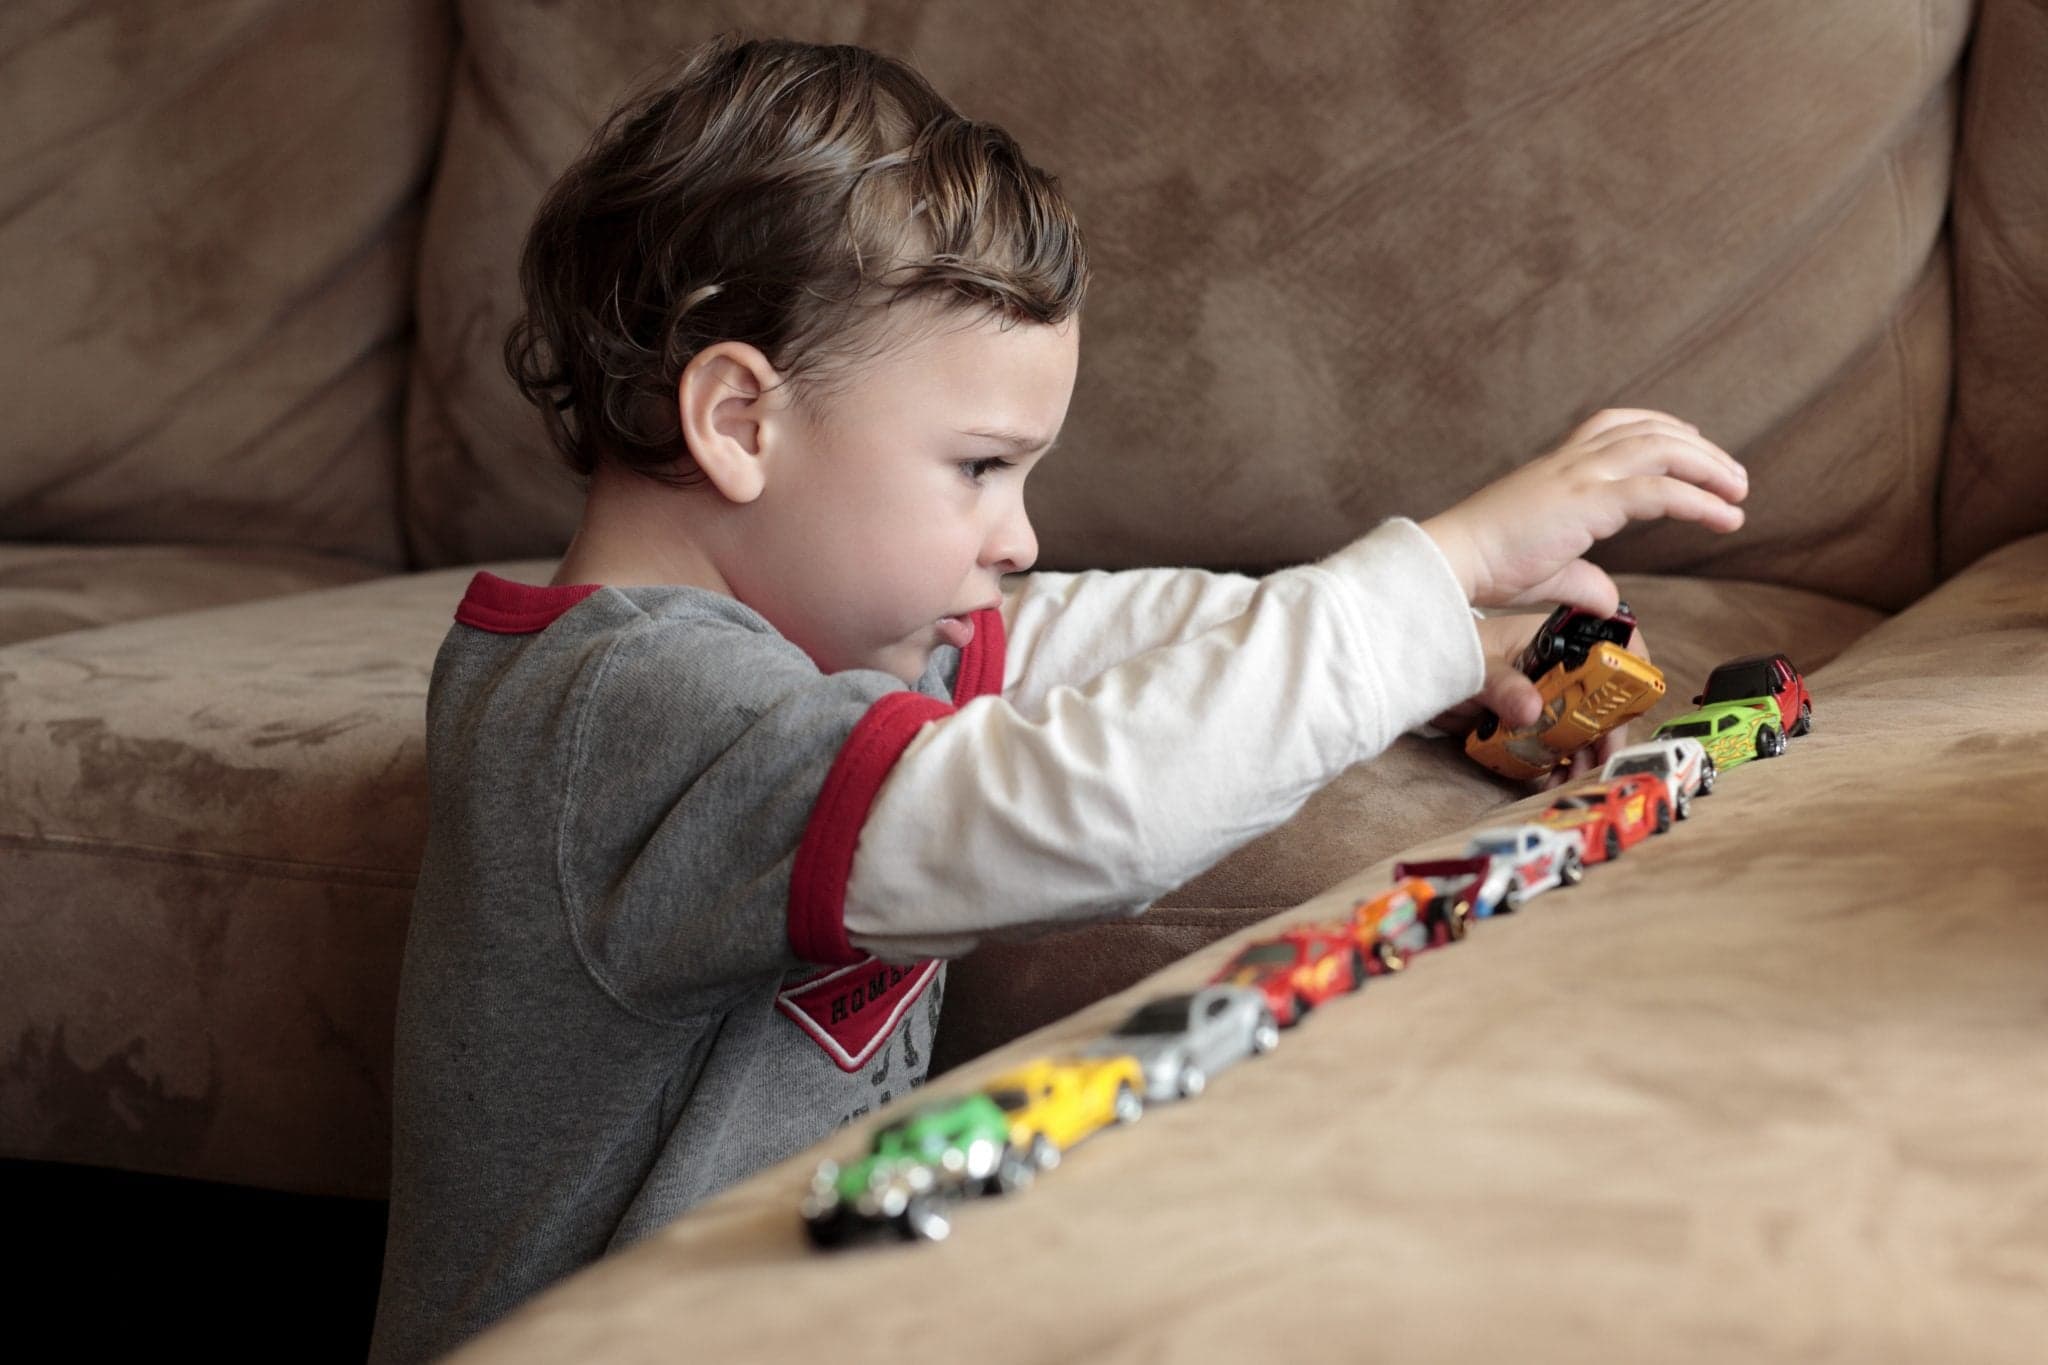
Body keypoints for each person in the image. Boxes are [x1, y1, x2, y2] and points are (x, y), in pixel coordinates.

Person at [368, 34, 1747, 1363]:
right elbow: (1072, 804)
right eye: (978, 467)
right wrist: (1435, 573)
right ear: (739, 422)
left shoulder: (821, 653)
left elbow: (1073, 634)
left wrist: (1448, 654)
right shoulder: (617, 710)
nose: (1018, 535)